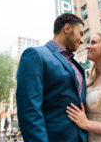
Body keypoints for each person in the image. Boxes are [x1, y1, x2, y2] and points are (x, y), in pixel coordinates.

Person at [16, 13, 87, 142]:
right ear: (67, 29)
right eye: (80, 33)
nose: (82, 40)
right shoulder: (35, 55)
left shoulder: (77, 66)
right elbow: (29, 110)